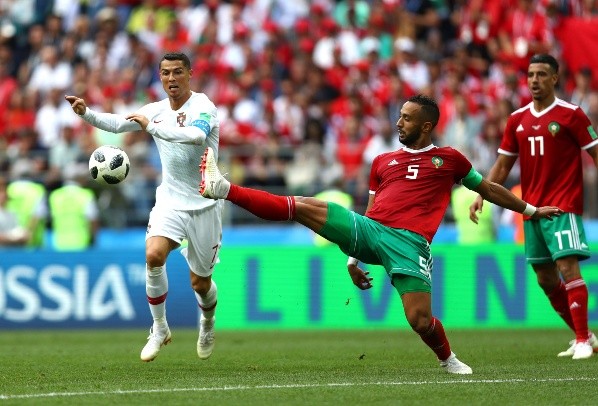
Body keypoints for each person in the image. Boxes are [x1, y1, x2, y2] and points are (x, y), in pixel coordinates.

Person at [199, 94, 562, 374]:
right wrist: (353, 258)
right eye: (400, 115)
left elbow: (487, 189)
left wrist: (531, 210)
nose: (399, 122)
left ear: (426, 126)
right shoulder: (382, 162)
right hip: (372, 230)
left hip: (411, 244)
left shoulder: (450, 159)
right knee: (305, 205)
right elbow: (372, 210)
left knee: (420, 320)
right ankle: (223, 188)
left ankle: (447, 358)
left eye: (407, 118)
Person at [65, 52, 223, 362]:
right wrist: (86, 113)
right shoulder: (155, 110)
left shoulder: (204, 107)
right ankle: (160, 327)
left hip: (205, 203)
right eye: (165, 73)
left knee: (200, 283)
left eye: (178, 72)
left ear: (190, 74)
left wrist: (152, 127)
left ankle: (207, 322)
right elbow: (119, 124)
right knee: (153, 256)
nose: (171, 78)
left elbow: (195, 136)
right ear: (160, 76)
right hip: (170, 201)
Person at [469, 54, 598, 360]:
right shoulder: (517, 120)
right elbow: (502, 165)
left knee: (568, 267)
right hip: (532, 210)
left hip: (563, 205)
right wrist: (481, 194)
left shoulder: (571, 114)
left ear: (555, 78)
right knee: (545, 277)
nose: (534, 80)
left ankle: (581, 339)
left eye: (542, 74)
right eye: (530, 74)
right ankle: (587, 336)